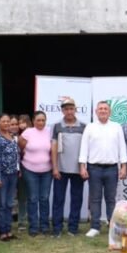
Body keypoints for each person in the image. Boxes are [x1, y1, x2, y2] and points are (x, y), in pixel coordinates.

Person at [79, 101, 127, 237]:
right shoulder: (90, 127)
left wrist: (124, 166)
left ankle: (113, 225)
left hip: (112, 169)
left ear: (110, 112)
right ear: (96, 111)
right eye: (100, 109)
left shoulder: (116, 127)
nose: (103, 111)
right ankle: (95, 227)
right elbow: (84, 147)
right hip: (94, 168)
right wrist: (82, 166)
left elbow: (122, 147)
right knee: (95, 198)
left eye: (105, 109)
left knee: (111, 199)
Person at [50, 98, 86, 237]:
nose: (69, 111)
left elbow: (86, 149)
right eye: (66, 109)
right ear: (62, 110)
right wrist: (55, 167)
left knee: (76, 199)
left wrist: (83, 167)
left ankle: (73, 228)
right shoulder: (57, 126)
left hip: (78, 170)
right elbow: (53, 147)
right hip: (61, 170)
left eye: (71, 108)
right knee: (58, 199)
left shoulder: (84, 126)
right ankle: (57, 228)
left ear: (75, 109)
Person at [0, 113, 21, 242]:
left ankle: (9, 230)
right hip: (1, 175)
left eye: (8, 121)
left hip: (13, 174)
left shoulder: (12, 137)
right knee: (1, 204)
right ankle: (2, 231)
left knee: (9, 204)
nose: (6, 124)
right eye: (3, 121)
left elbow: (16, 156)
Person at [19, 110, 53, 236]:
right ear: (33, 121)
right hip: (29, 170)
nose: (41, 122)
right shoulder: (27, 133)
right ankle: (33, 227)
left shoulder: (50, 132)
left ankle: (44, 226)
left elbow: (53, 149)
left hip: (47, 171)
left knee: (44, 198)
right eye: (38, 120)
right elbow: (20, 148)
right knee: (33, 198)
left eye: (43, 120)